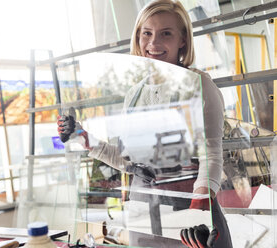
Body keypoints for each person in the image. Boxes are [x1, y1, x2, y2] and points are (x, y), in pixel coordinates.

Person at [58, 0, 232, 247]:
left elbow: (211, 154)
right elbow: (128, 162)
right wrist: (82, 136)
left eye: (166, 34)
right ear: (138, 36)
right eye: (146, 33)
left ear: (182, 39)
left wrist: (199, 210)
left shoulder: (199, 84)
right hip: (144, 211)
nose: (153, 43)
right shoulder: (134, 94)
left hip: (188, 206)